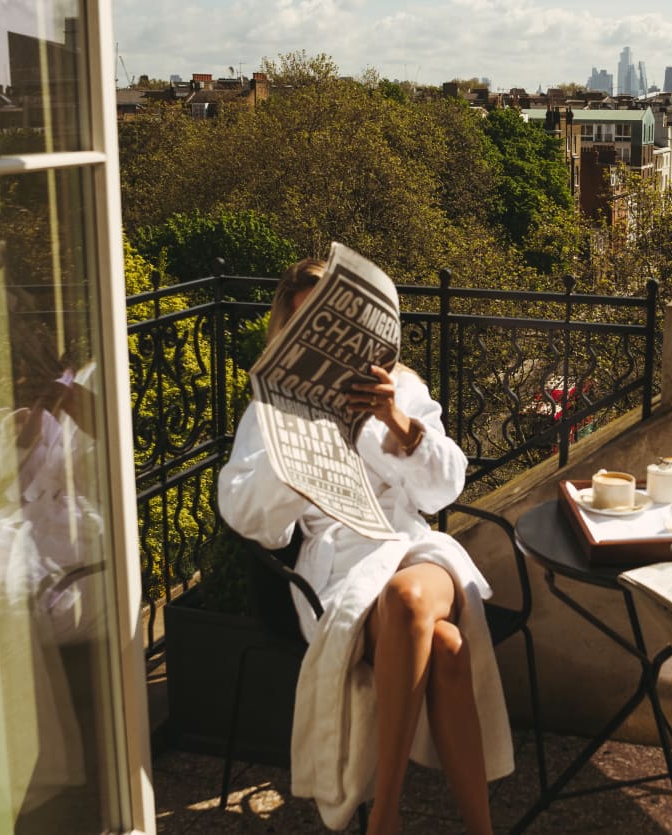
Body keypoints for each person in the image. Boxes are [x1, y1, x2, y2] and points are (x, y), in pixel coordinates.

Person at [218, 258, 513, 834]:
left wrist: (395, 420)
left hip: (412, 549)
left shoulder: (402, 391)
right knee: (446, 647)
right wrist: (299, 448)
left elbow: (444, 486)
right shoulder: (271, 409)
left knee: (407, 597)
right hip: (336, 568)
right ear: (287, 337)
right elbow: (249, 518)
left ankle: (385, 815)